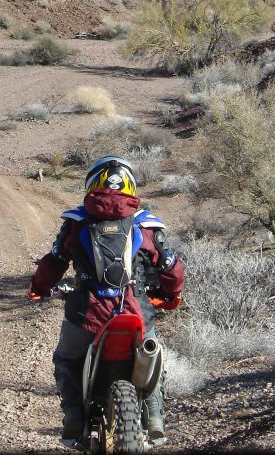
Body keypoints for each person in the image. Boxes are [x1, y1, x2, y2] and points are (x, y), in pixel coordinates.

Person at [29, 155, 185, 447]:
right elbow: (171, 268)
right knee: (152, 359)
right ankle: (154, 419)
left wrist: (39, 287)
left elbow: (54, 262)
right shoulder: (146, 225)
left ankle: (74, 419)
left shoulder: (76, 222)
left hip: (86, 316)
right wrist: (171, 295)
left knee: (66, 358)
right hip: (136, 314)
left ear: (92, 183)